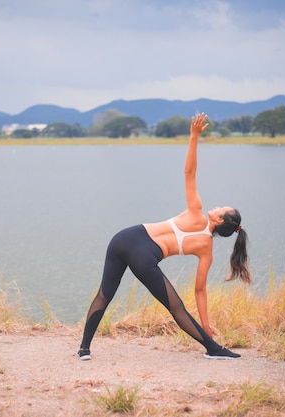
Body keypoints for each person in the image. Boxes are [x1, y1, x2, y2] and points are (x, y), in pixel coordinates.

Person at [78, 113, 251, 361]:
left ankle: (84, 349)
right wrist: (206, 324)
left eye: (223, 208)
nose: (219, 205)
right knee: (176, 307)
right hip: (144, 254)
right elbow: (200, 291)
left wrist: (193, 137)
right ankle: (213, 348)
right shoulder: (206, 249)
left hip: (125, 237)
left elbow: (189, 172)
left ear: (221, 219)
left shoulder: (196, 211)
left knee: (104, 295)